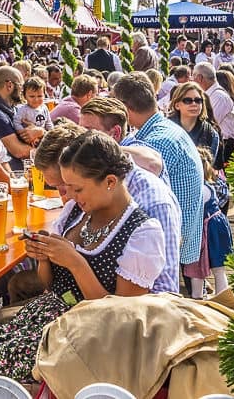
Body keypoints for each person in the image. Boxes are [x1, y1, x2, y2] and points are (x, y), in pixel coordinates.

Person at [0, 131, 165, 398]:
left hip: (83, 340)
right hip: (45, 320)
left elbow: (122, 321)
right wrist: (44, 257)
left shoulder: (143, 233)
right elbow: (48, 285)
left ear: (110, 181)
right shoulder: (76, 212)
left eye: (77, 188)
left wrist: (76, 263)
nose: (70, 196)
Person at [112, 74, 205, 299]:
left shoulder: (151, 143)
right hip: (187, 231)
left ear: (125, 107)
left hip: (171, 239)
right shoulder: (165, 129)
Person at [77, 100, 182, 294]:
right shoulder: (96, 182)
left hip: (136, 314)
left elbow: (165, 288)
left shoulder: (151, 198)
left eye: (88, 132)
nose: (80, 141)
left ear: (115, 134)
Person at [183, 147, 234, 299]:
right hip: (218, 225)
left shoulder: (198, 188)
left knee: (198, 267)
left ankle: (198, 297)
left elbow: (192, 212)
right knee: (218, 268)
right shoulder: (209, 185)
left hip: (206, 229)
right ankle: (219, 297)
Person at [0, 66, 44, 170]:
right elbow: (19, 151)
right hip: (14, 177)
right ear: (9, 85)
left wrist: (40, 131)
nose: (23, 92)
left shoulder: (11, 108)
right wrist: (49, 152)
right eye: (22, 86)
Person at [167, 82, 221, 166]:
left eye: (198, 100)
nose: (194, 104)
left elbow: (209, 167)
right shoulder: (165, 128)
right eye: (187, 101)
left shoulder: (210, 133)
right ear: (177, 105)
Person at [193, 62, 234, 166]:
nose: (191, 79)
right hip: (214, 143)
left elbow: (207, 122)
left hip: (224, 147)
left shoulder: (219, 97)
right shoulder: (211, 94)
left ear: (199, 78)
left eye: (193, 76)